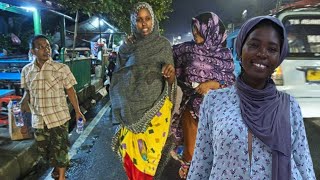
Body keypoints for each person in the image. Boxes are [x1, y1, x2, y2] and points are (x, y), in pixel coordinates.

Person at [188, 16, 316, 179]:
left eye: (272, 49)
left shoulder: (289, 105)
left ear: (279, 57)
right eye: (254, 45)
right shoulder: (215, 101)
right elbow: (201, 164)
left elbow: (304, 165)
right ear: (241, 50)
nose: (262, 53)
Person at [109, 2, 176, 180]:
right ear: (133, 23)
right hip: (130, 110)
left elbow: (170, 81)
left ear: (153, 20)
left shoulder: (163, 45)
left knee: (151, 160)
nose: (144, 23)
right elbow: (117, 77)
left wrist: (170, 74)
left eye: (147, 19)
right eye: (138, 20)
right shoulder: (126, 47)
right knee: (133, 161)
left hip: (156, 112)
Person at [170, 12, 235, 178]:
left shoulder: (225, 54)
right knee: (191, 154)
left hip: (216, 114)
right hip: (191, 109)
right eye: (194, 30)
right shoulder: (186, 49)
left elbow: (231, 82)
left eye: (198, 30)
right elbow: (164, 53)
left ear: (211, 31)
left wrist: (214, 85)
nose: (194, 33)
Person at [20, 34, 85, 180]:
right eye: (41, 47)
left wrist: (78, 111)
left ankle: (61, 176)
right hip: (38, 119)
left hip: (58, 117)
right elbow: (27, 92)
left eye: (48, 46)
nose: (46, 50)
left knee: (61, 150)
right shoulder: (26, 71)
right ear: (33, 51)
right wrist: (23, 102)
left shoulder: (61, 68)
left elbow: (70, 90)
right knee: (44, 152)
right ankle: (57, 168)